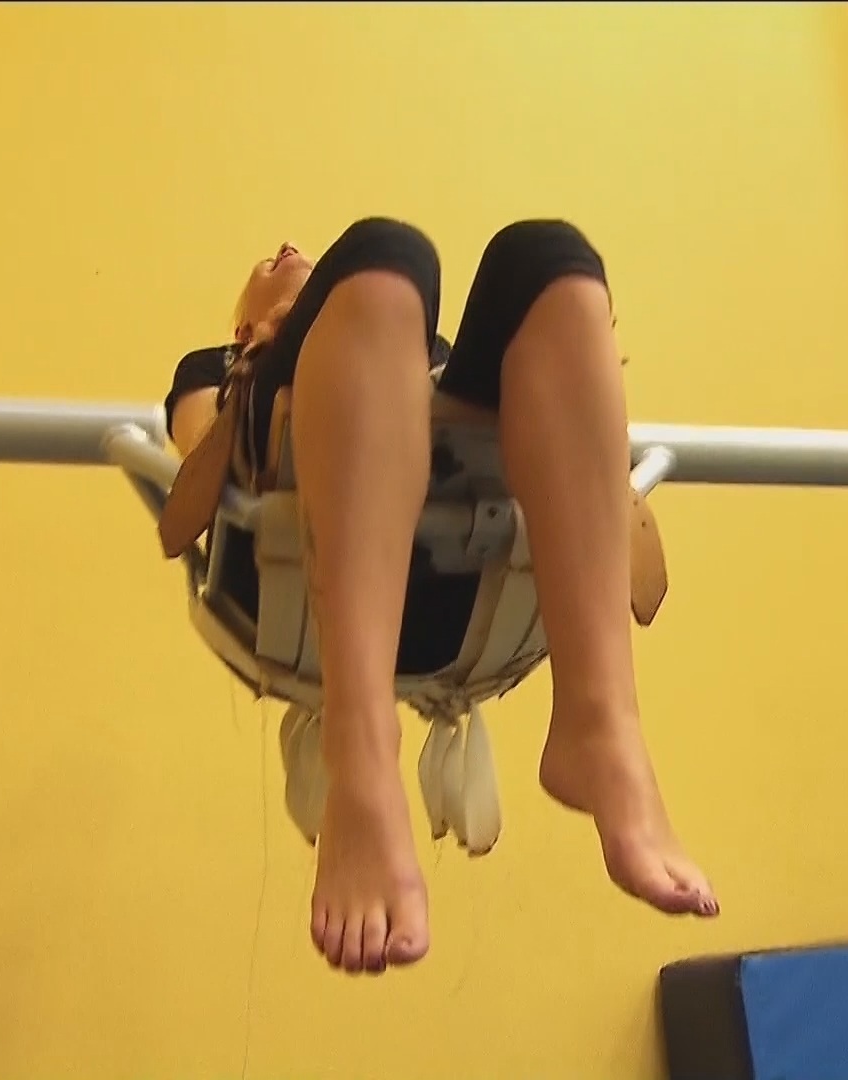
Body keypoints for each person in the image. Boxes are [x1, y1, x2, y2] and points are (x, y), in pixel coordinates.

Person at [162, 218, 718, 975]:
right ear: (241, 327)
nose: (290, 244)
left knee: (550, 262)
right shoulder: (224, 365)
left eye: (301, 253)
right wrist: (284, 342)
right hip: (291, 571)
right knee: (388, 257)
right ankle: (361, 758)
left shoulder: (426, 360)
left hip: (471, 578)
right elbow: (198, 452)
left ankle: (602, 730)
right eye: (270, 260)